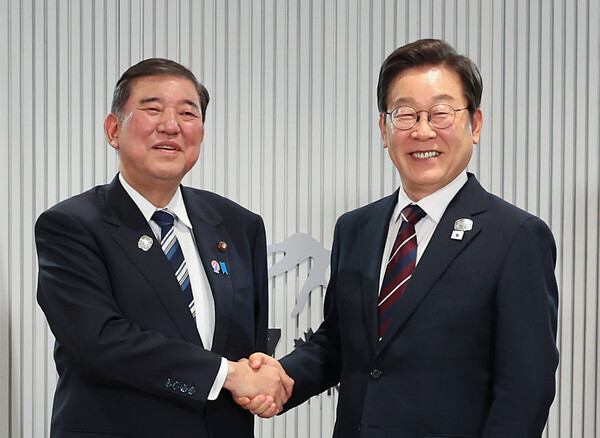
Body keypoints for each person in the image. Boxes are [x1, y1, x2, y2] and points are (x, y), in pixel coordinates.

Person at [240, 39, 559, 437]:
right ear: (384, 129)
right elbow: (338, 343)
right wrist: (281, 378)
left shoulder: (516, 237)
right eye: (405, 114)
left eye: (441, 113)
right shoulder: (355, 228)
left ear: (475, 124)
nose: (423, 131)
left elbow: (526, 390)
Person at [36, 58, 292, 438]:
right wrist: (226, 375)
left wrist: (259, 378)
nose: (171, 125)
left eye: (188, 113)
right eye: (153, 109)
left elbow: (248, 348)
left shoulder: (239, 225)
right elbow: (99, 343)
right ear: (114, 130)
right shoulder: (72, 226)